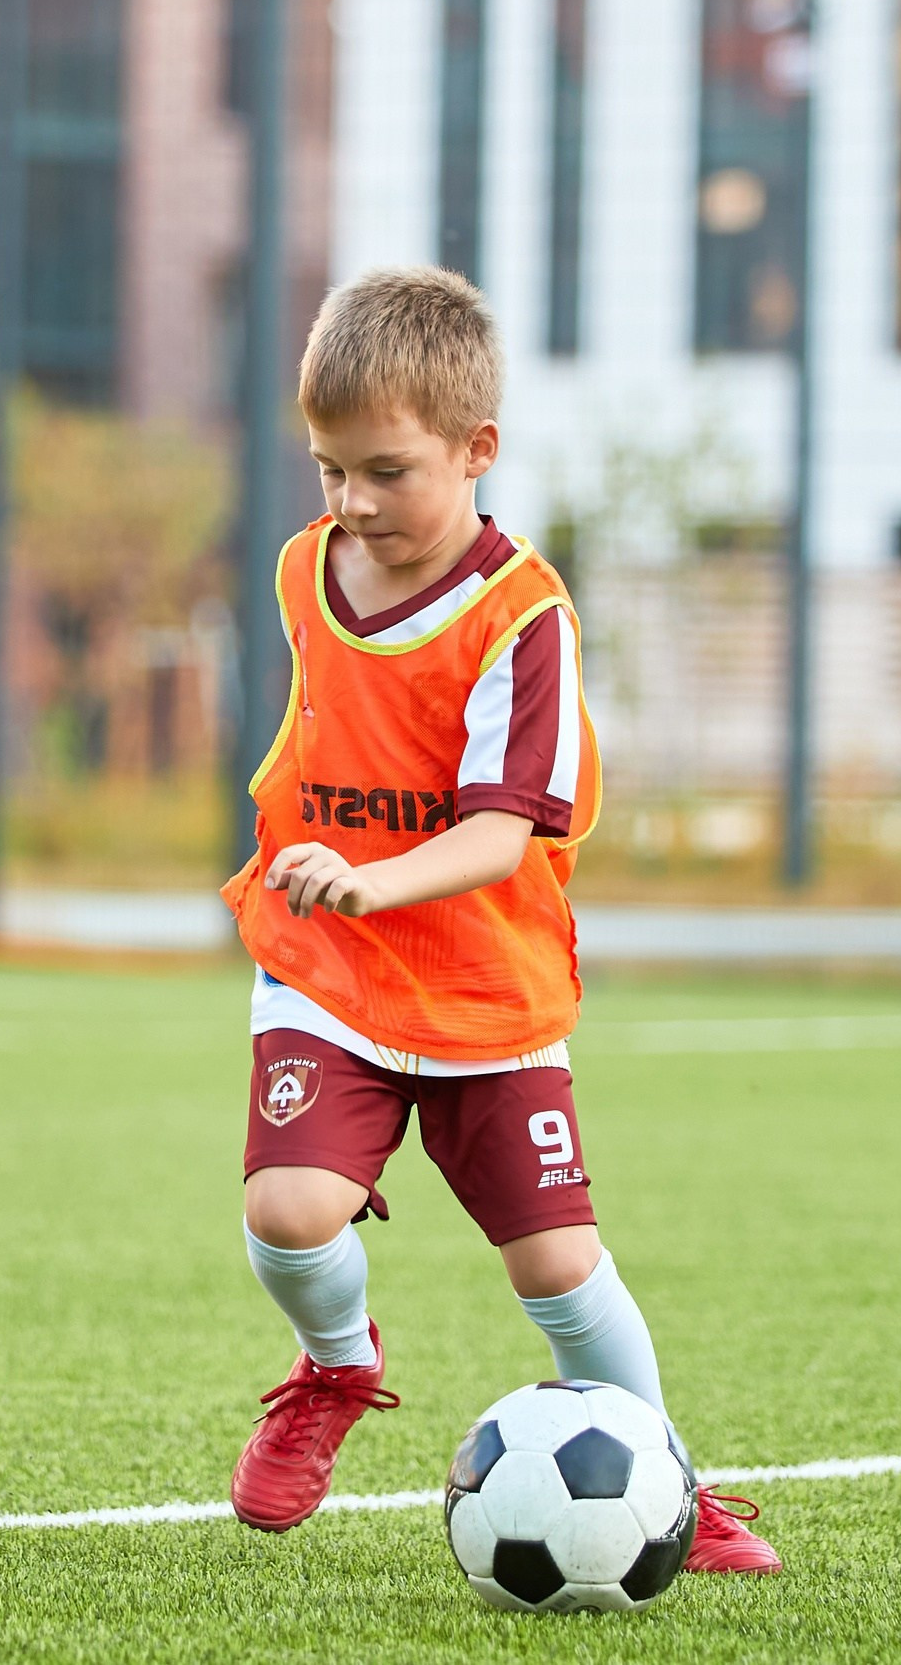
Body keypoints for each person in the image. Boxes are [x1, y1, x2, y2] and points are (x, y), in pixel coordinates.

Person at [217, 266, 779, 1574]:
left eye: (386, 471)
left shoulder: (523, 617)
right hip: (329, 970)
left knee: (560, 1265)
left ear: (478, 450)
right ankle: (337, 1368)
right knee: (292, 1207)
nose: (352, 501)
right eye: (328, 468)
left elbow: (499, 830)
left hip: (485, 986)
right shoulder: (308, 571)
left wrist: (375, 875)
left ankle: (667, 1482)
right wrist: (330, 883)